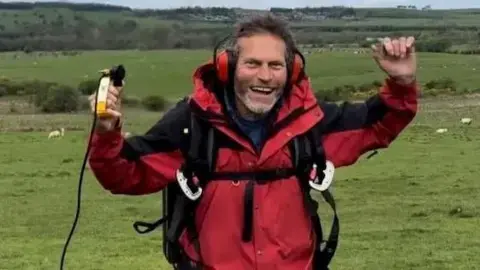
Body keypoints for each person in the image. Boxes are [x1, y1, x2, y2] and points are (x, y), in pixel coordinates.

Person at [88, 14, 418, 270]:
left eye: (275, 65)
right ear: (227, 67)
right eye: (252, 64)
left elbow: (379, 125)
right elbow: (122, 174)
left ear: (292, 70)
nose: (264, 76)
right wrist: (106, 133)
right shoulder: (191, 124)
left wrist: (402, 83)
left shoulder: (310, 123)